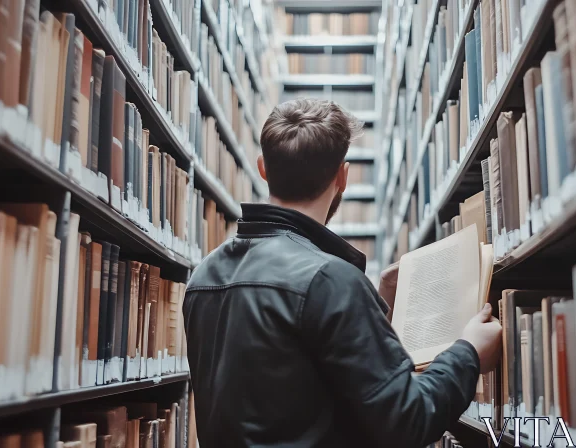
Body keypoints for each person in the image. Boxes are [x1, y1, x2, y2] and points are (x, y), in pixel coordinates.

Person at [183, 99, 503, 448]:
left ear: (263, 168)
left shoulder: (203, 277)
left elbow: (288, 388)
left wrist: (375, 309)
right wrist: (469, 352)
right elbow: (409, 421)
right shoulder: (330, 280)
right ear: (343, 176)